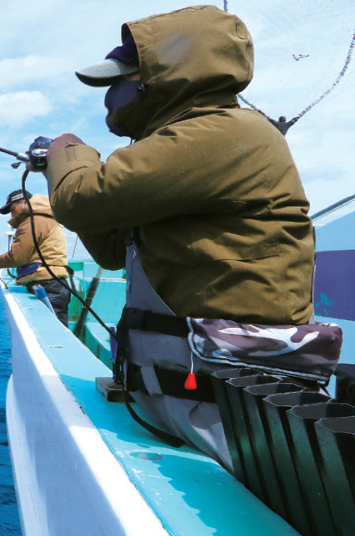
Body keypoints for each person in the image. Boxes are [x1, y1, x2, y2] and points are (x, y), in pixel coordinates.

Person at [40, 5, 340, 469]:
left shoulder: (224, 133)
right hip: (183, 402)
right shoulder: (181, 144)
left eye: (118, 80)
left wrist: (67, 151)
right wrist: (78, 173)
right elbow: (114, 250)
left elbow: (80, 198)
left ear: (160, 77)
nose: (110, 95)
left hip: (236, 413)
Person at [0, 189, 72, 325]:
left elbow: (17, 257)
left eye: (13, 210)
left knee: (52, 330)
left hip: (48, 286)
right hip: (54, 284)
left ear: (25, 203)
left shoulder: (32, 222)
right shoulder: (44, 219)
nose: (12, 216)